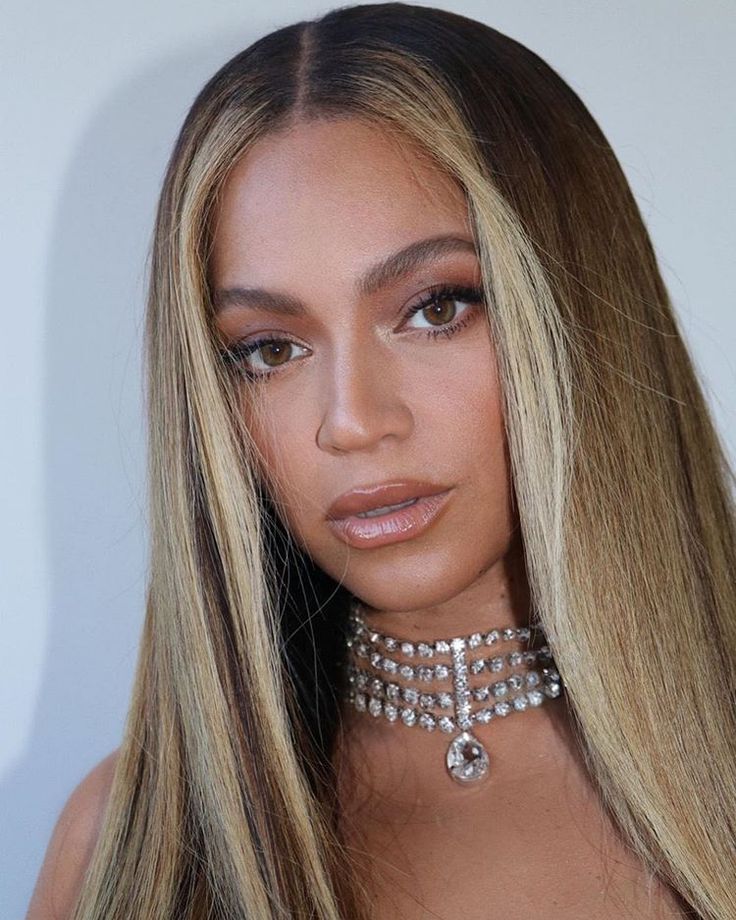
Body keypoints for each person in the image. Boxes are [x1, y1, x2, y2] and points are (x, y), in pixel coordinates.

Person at [27, 3, 736, 918]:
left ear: (577, 314)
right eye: (272, 349)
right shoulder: (126, 851)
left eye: (436, 307)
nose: (353, 423)